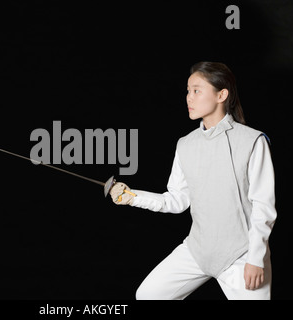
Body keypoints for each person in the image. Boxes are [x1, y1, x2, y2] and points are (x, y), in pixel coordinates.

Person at [110, 62, 277, 300]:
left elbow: (263, 206)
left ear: (221, 94)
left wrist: (256, 258)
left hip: (242, 255)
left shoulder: (252, 141)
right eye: (188, 91)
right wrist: (132, 197)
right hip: (197, 250)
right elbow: (177, 200)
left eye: (197, 90)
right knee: (148, 295)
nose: (189, 97)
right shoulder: (186, 144)